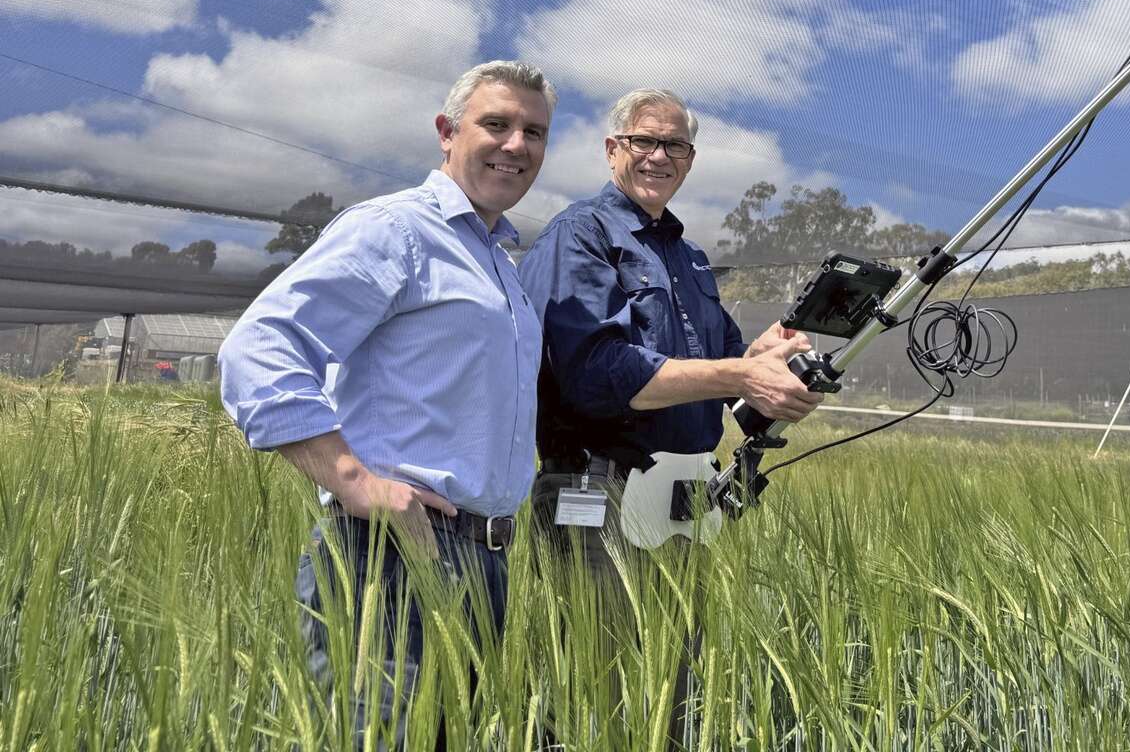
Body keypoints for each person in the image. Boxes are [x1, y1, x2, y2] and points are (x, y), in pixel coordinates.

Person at [218, 60, 555, 746]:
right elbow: (258, 350)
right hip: (392, 559)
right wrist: (355, 481)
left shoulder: (501, 264)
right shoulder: (397, 231)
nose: (516, 145)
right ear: (446, 131)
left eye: (535, 132)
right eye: (497, 124)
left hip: (483, 561)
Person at [518, 87, 822, 740]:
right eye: (643, 141)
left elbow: (728, 373)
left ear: (690, 158)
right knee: (595, 695)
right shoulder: (581, 234)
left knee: (671, 694)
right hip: (597, 491)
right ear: (612, 150)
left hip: (681, 498)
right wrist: (741, 372)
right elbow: (593, 376)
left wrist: (770, 361)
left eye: (674, 145)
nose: (659, 156)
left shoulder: (688, 257)